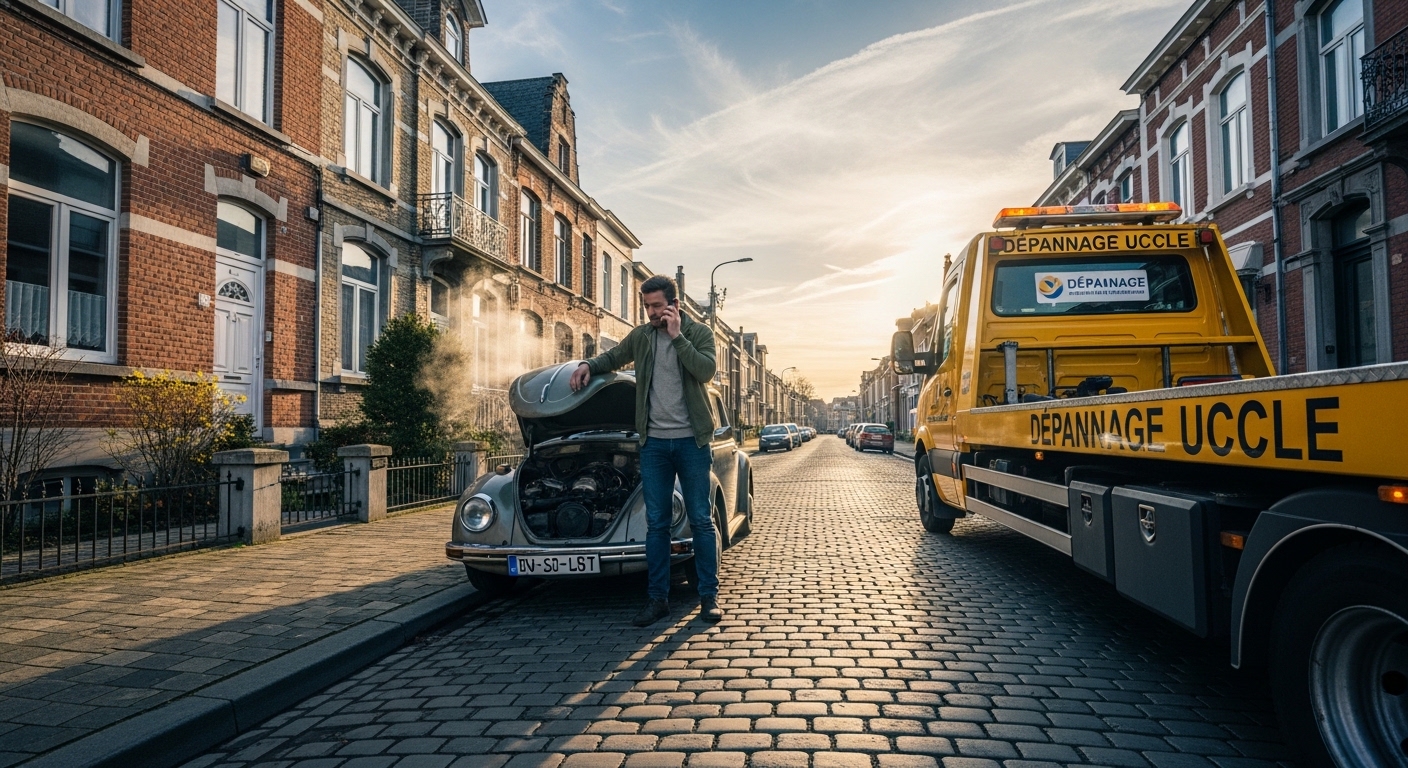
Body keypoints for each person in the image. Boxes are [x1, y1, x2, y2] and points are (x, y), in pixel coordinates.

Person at [570, 275, 722, 626]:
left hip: (692, 442)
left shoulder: (698, 334)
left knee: (700, 519)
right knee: (657, 525)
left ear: (674, 305)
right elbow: (614, 356)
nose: (651, 313)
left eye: (657, 306)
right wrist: (586, 366)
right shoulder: (641, 337)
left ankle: (708, 597)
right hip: (653, 444)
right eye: (647, 307)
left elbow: (706, 370)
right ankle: (658, 600)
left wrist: (677, 336)